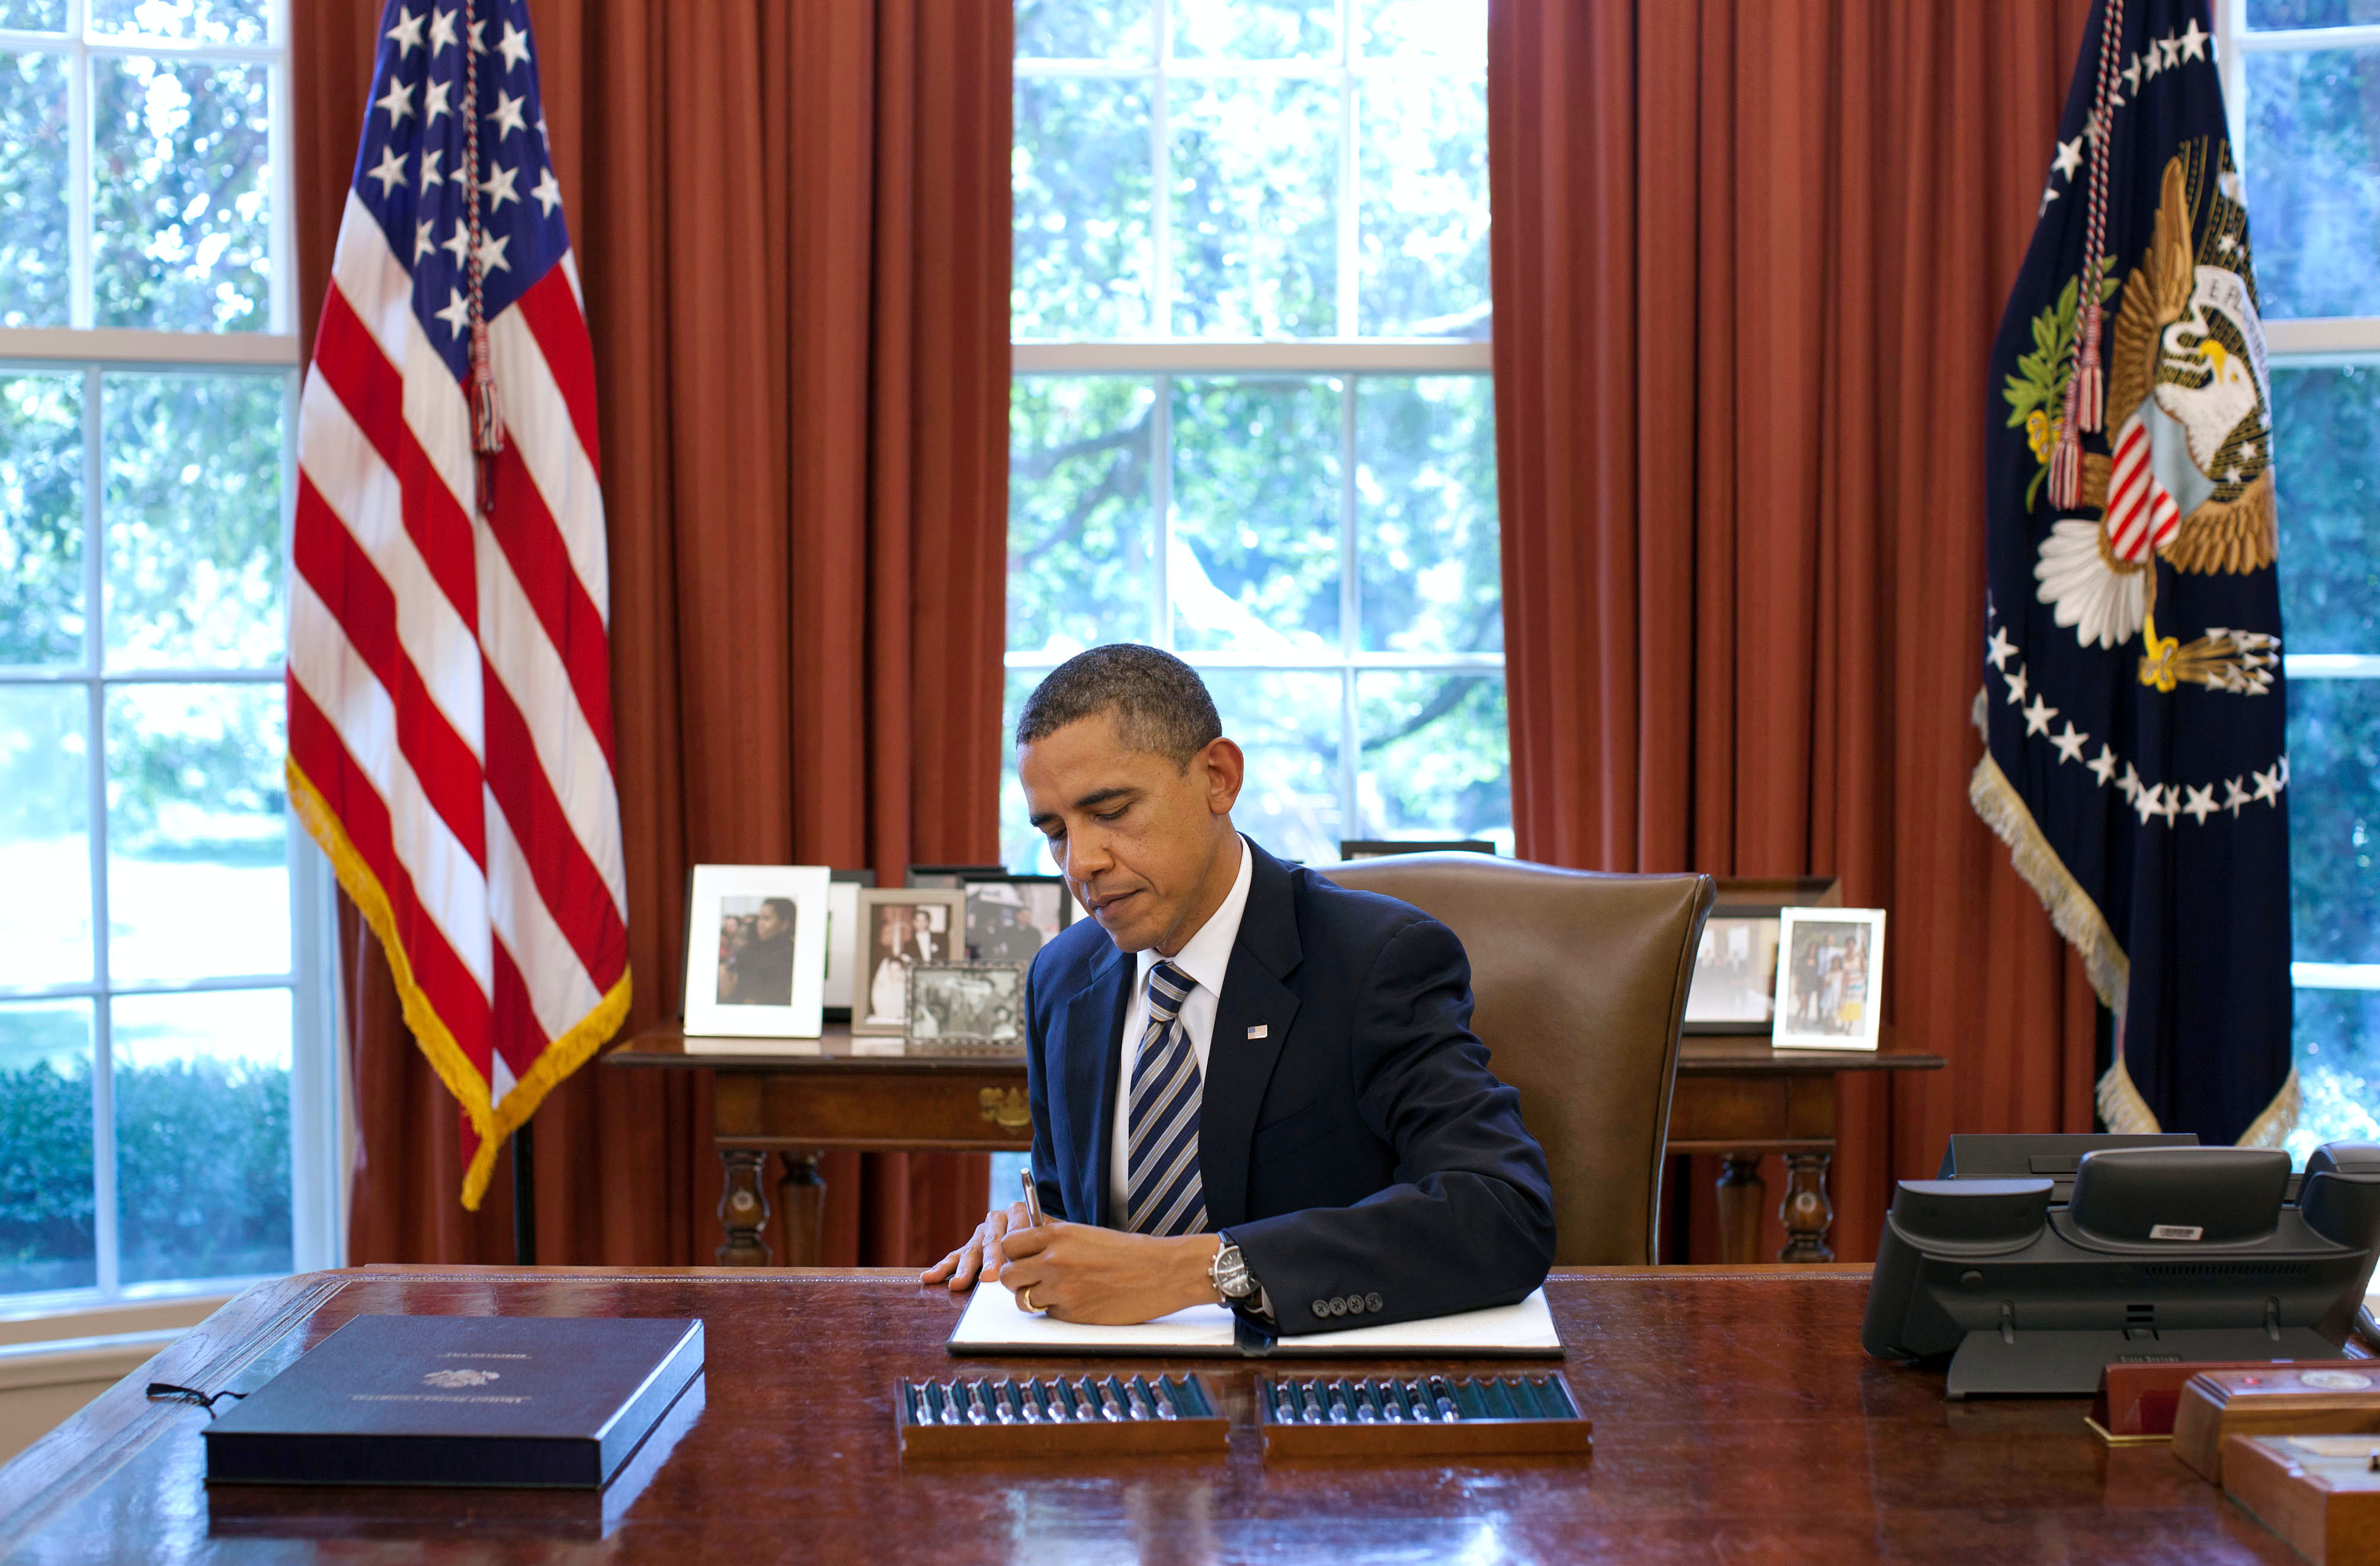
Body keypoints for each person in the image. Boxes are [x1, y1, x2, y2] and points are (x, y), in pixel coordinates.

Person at [922, 645, 1554, 1333]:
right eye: (1054, 833)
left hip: (1323, 1399)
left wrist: (1195, 1271)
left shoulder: (1378, 961)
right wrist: (1028, 1240)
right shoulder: (1062, 977)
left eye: (1109, 812)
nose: (1082, 865)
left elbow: (1502, 1214)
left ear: (1219, 779)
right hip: (1107, 1394)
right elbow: (1075, 1216)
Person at [727, 898, 796, 1007]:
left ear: (785, 924)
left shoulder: (791, 954)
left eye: (767, 918)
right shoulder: (753, 949)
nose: (760, 924)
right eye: (760, 918)